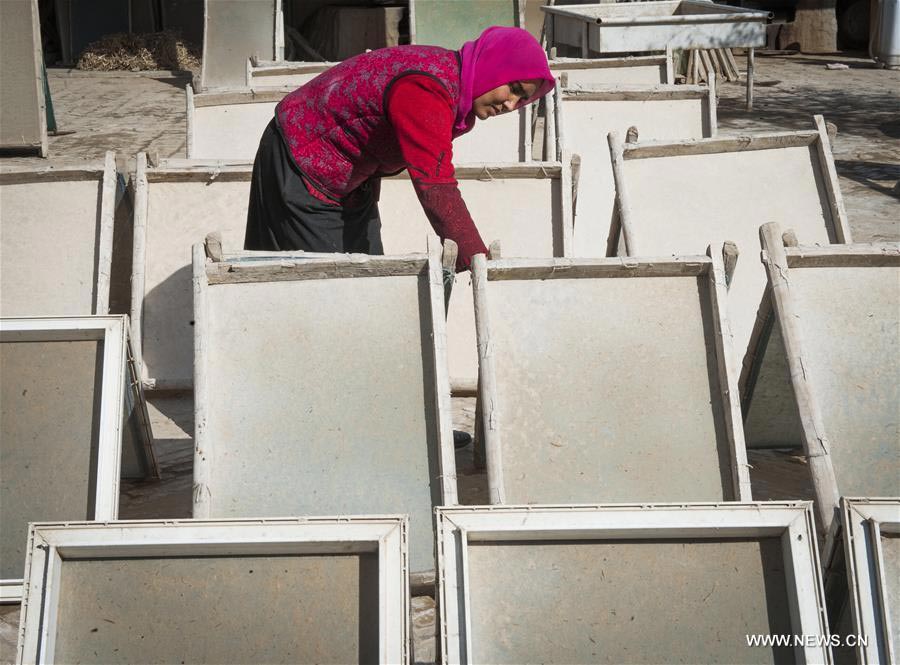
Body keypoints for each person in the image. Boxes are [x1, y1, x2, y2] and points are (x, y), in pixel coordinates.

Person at [244, 25, 555, 273]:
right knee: (325, 288)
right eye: (513, 89)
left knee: (369, 279)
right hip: (302, 163)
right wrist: (476, 259)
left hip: (349, 181)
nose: (511, 105)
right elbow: (436, 186)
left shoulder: (451, 82)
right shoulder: (427, 88)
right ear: (493, 66)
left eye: (522, 100)